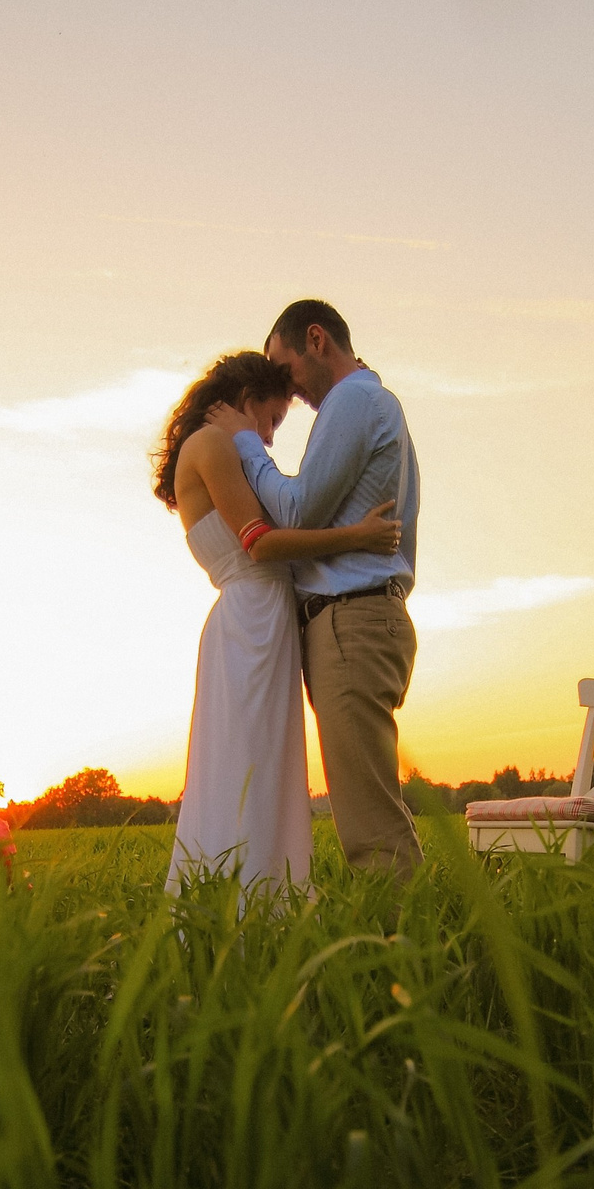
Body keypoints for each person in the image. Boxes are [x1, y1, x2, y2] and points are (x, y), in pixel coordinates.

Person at [155, 351, 400, 897]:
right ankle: (241, 906)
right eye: (270, 420)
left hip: (262, 622)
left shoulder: (220, 448)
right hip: (252, 622)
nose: (267, 437)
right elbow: (260, 542)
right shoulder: (214, 445)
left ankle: (261, 903)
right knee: (248, 768)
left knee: (264, 768)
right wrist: (357, 536)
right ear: (248, 399)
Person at [205, 300, 422, 875]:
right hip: (358, 620)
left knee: (370, 826)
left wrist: (246, 441)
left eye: (286, 365)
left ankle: (407, 957)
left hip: (352, 621)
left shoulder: (354, 400)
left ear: (317, 340)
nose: (288, 386)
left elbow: (297, 513)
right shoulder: (374, 405)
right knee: (369, 808)